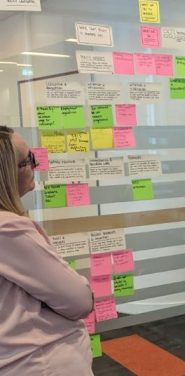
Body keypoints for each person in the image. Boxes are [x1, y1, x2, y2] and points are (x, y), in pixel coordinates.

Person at [0, 126, 94, 375]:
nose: (37, 164)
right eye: (28, 160)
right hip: (38, 363)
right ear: (6, 173)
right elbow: (79, 300)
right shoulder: (8, 229)